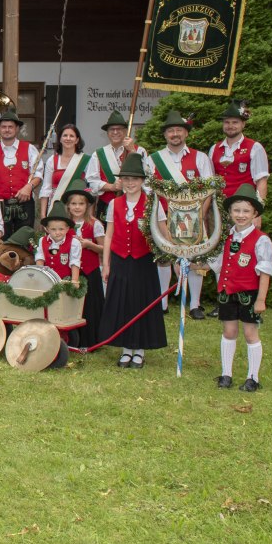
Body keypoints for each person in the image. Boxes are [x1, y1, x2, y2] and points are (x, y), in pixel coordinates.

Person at [145, 110, 215, 318]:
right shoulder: (154, 159)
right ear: (165, 135)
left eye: (179, 130)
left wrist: (200, 217)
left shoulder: (200, 157)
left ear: (186, 133)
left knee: (194, 258)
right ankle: (162, 303)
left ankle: (194, 304)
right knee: (164, 257)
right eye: (171, 131)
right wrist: (157, 218)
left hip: (193, 217)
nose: (175, 134)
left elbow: (209, 190)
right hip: (164, 216)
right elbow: (148, 191)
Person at [100, 154, 167, 369]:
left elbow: (163, 232)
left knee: (140, 303)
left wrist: (174, 251)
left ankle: (139, 350)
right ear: (121, 181)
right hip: (120, 260)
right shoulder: (114, 204)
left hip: (143, 261)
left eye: (135, 179)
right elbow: (109, 235)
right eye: (126, 179)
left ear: (142, 180)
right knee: (122, 303)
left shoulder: (153, 203)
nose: (130, 183)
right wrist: (107, 264)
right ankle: (125, 349)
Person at [207, 184, 272, 392]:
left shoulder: (261, 240)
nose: (241, 215)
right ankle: (226, 374)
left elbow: (265, 271)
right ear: (230, 212)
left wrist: (261, 299)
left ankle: (252, 377)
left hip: (249, 294)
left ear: (254, 214)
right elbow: (216, 263)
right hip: (227, 292)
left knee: (250, 333)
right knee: (229, 331)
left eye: (246, 211)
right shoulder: (226, 237)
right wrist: (189, 263)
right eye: (236, 210)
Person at [0, 111, 41, 238]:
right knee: (2, 241)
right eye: (3, 127)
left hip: (25, 203)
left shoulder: (30, 149)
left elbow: (38, 174)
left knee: (24, 240)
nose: (7, 130)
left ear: (17, 129)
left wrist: (28, 187)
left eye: (10, 127)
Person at [64, 188, 105, 348]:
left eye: (81, 204)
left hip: (89, 271)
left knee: (89, 306)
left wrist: (89, 245)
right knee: (71, 304)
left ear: (87, 206)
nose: (77, 207)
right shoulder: (64, 225)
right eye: (73, 203)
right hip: (69, 271)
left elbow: (104, 248)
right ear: (68, 206)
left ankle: (91, 340)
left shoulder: (94, 224)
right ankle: (71, 339)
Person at [84, 110, 146, 216]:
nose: (115, 132)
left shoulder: (139, 151)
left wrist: (132, 151)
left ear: (126, 131)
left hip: (135, 204)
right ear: (107, 133)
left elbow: (147, 177)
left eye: (119, 129)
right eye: (112, 129)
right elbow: (92, 181)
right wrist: (111, 187)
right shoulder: (98, 154)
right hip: (106, 206)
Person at [210, 100, 269, 201]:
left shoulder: (255, 147)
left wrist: (259, 207)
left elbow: (261, 181)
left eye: (235, 122)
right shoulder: (214, 149)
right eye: (227, 122)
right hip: (218, 206)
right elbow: (210, 181)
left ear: (243, 124)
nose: (230, 126)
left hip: (244, 206)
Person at [38, 124, 89, 219]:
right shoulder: (52, 160)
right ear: (60, 139)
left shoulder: (86, 161)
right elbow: (46, 188)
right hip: (56, 207)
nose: (68, 138)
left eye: (71, 136)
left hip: (78, 210)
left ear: (77, 140)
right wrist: (43, 215)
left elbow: (91, 189)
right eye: (65, 135)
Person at [34, 203, 83, 287]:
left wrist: (74, 280)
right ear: (47, 229)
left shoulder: (74, 243)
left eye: (61, 229)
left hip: (65, 282)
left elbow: (75, 262)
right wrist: (40, 277)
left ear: (67, 229)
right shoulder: (42, 240)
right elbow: (40, 259)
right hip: (47, 281)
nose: (57, 232)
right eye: (53, 229)